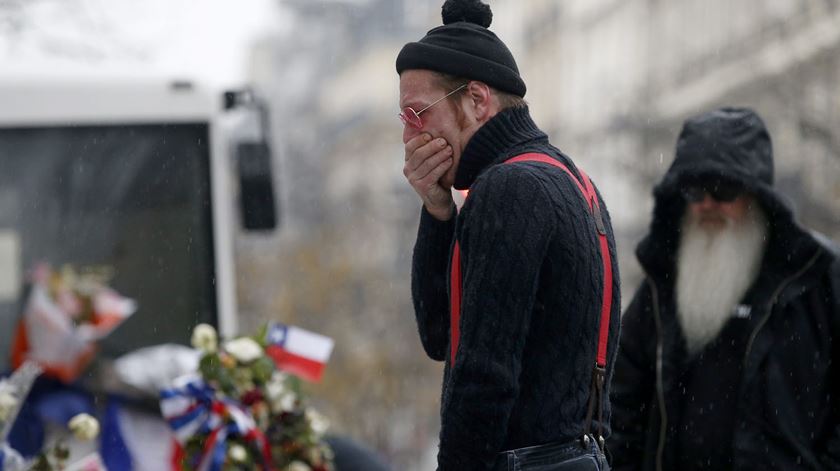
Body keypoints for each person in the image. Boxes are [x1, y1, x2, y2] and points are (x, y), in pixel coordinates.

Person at [396, 1, 620, 469]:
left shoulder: (509, 189)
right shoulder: (573, 181)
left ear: (477, 100)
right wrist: (438, 211)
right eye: (405, 120)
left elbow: (482, 376)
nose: (410, 136)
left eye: (418, 113)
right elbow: (443, 336)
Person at [609, 107, 840, 470]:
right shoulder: (662, 285)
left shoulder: (817, 278)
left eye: (723, 189)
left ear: (756, 196)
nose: (707, 205)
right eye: (694, 191)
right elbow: (622, 402)